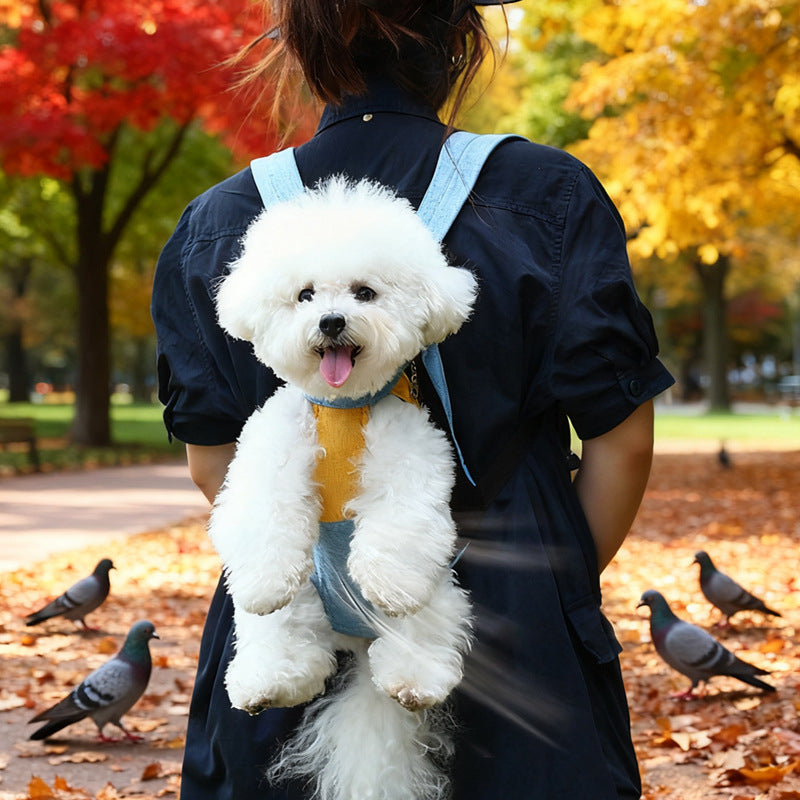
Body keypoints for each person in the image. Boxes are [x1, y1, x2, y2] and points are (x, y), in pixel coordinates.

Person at [151, 1, 674, 797]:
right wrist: (550, 585)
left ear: (299, 46)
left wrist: (321, 568)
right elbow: (622, 442)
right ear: (460, 39)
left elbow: (211, 463)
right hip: (520, 631)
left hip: (290, 628)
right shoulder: (549, 194)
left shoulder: (215, 224)